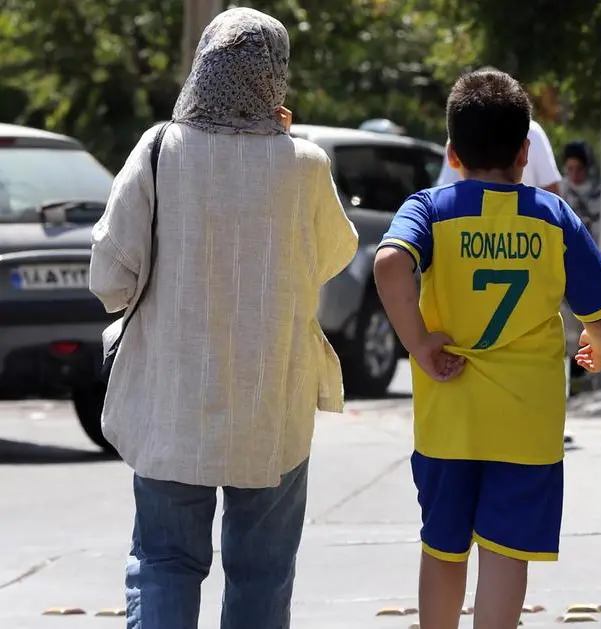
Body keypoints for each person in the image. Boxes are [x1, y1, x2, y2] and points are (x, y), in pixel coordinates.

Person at [88, 8, 358, 629]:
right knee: (262, 571)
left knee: (164, 560)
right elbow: (329, 258)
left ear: (202, 67)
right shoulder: (306, 164)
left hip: (171, 405)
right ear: (277, 76)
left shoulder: (160, 149)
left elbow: (109, 277)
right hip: (274, 407)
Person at [373, 69, 601, 629]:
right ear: (525, 152)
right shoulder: (554, 217)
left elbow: (389, 264)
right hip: (527, 423)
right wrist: (598, 350)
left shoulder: (429, 208)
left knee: (443, 548)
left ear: (452, 153)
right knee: (507, 553)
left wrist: (419, 344)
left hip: (448, 418)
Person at [435, 69, 562, 195]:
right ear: (524, 151)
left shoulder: (428, 205)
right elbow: (552, 188)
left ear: (451, 154)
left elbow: (444, 187)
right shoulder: (532, 131)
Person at [561, 140, 601, 242]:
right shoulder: (560, 190)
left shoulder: (600, 192)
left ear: (588, 168)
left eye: (579, 168)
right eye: (570, 169)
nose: (574, 174)